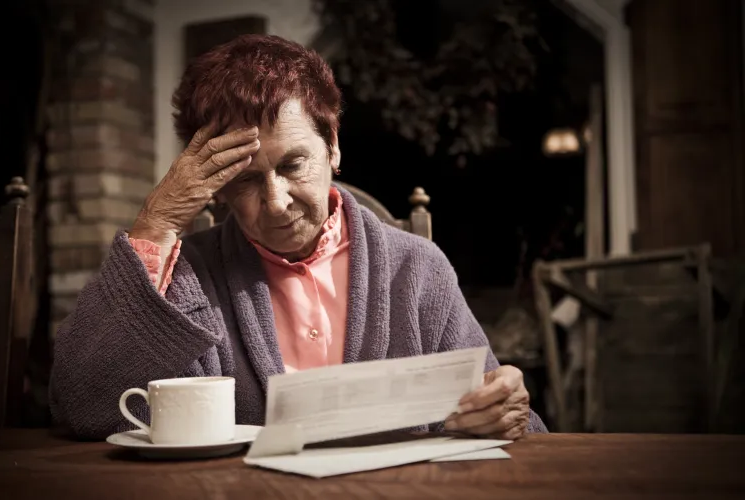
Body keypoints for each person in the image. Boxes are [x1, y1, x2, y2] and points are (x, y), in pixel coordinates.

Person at [49, 34, 547, 440]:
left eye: (293, 165)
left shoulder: (417, 269)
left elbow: (508, 420)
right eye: (244, 178)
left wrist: (504, 414)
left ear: (333, 147)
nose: (275, 201)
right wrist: (156, 224)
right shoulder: (185, 279)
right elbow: (78, 405)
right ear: (215, 186)